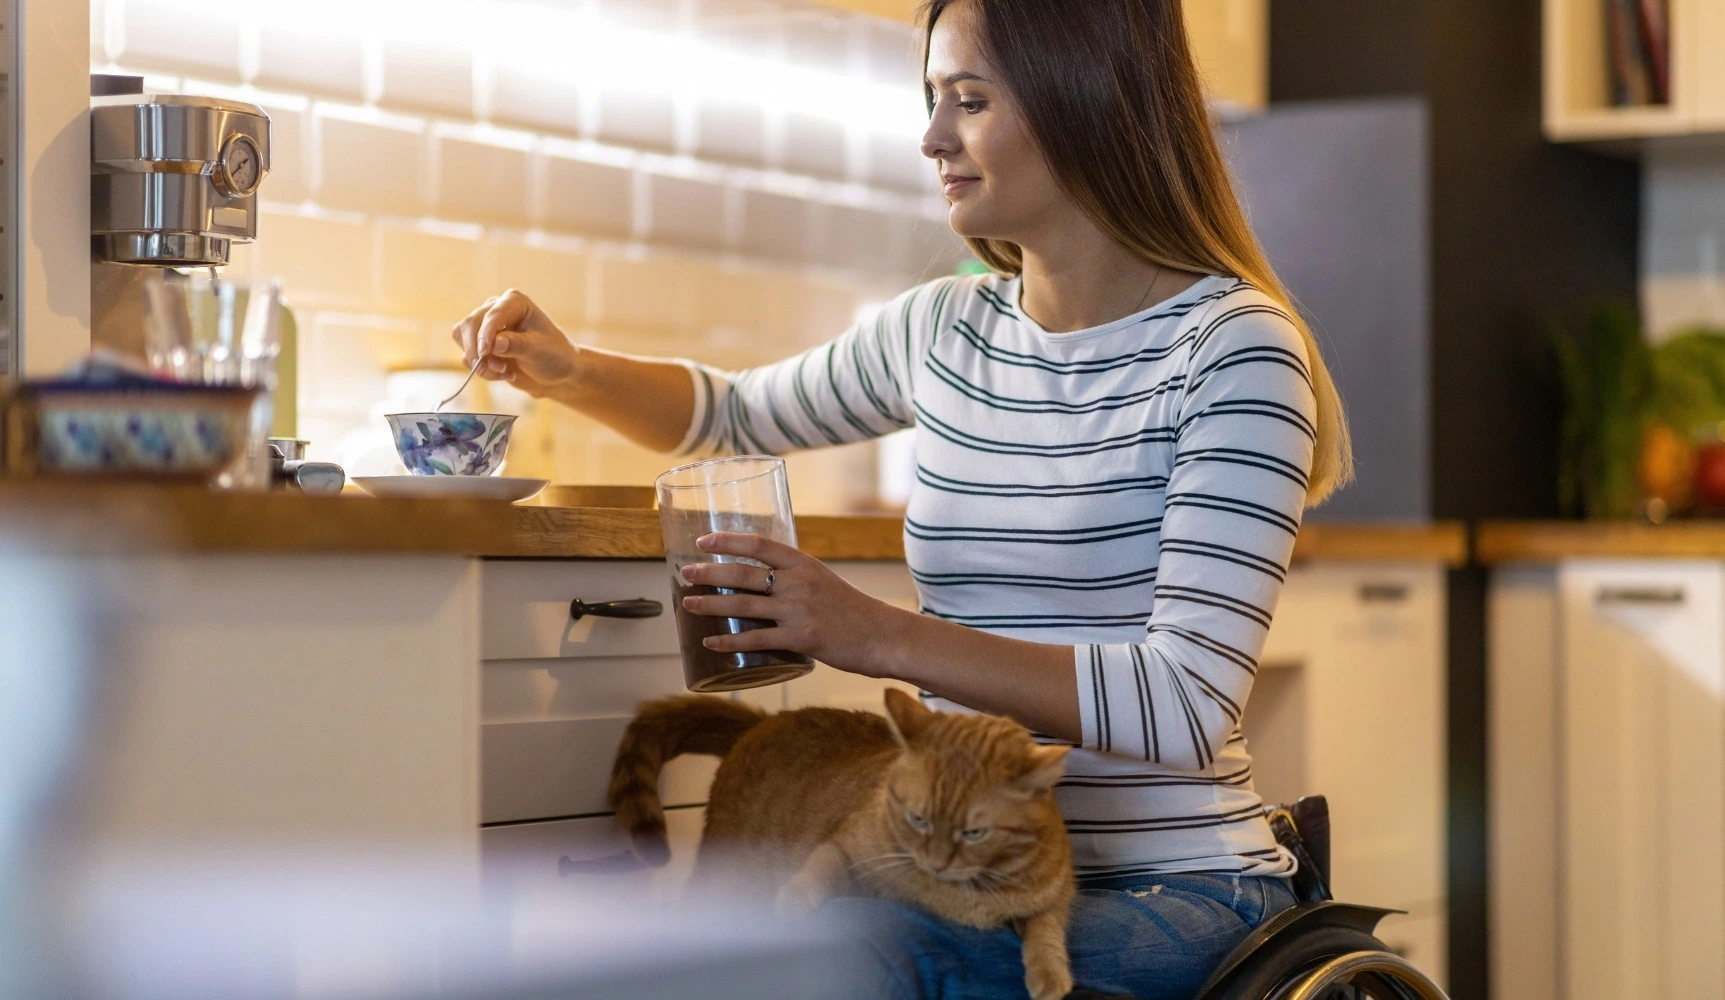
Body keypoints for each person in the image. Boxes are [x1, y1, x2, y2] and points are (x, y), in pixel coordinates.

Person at [452, 1, 1352, 996]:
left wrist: (869, 633)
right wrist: (571, 369)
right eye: (933, 101)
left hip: (1176, 889)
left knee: (851, 956)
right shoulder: (943, 331)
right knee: (748, 943)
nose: (932, 138)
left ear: (1086, 105)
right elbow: (736, 415)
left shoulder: (1234, 350)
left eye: (968, 101)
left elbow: (1180, 703)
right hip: (949, 872)